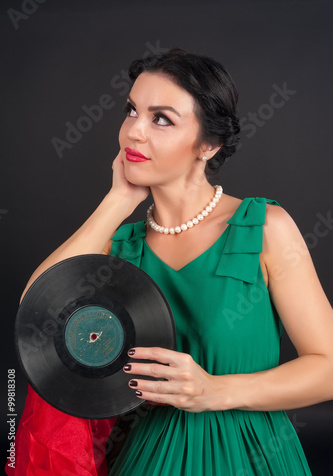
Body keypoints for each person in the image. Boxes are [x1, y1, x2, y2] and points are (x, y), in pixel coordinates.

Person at [7, 48, 333, 475]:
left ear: (208, 144)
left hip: (253, 456)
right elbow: (36, 311)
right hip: (145, 456)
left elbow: (328, 367)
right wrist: (117, 201)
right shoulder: (121, 248)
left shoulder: (263, 227)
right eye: (131, 111)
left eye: (161, 118)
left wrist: (214, 391)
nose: (133, 133)